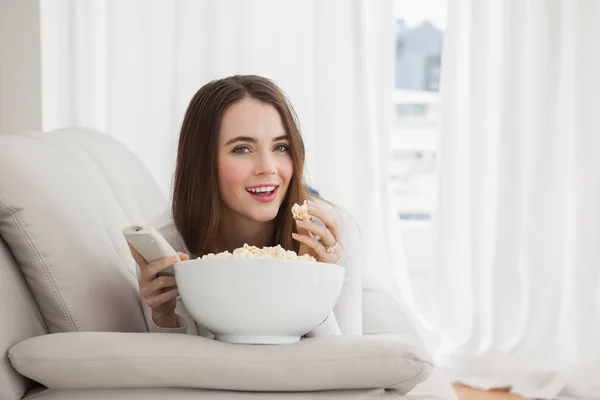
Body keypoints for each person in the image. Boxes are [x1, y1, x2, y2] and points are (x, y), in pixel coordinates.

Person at [128, 75, 362, 338]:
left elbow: (345, 366)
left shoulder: (330, 234)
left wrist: (313, 283)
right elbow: (175, 370)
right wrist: (163, 315)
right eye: (242, 149)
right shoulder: (168, 244)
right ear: (203, 163)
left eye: (281, 146)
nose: (268, 167)